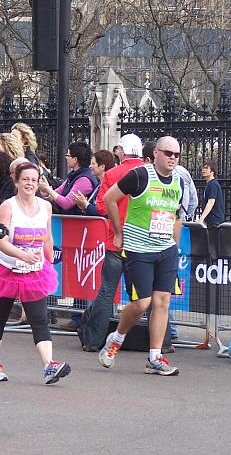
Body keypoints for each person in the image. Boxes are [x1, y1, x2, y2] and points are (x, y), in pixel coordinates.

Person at [0, 162, 71, 384]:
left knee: (39, 320)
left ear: (39, 183)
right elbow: (0, 242)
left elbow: (47, 237)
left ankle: (49, 365)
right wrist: (21, 254)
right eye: (25, 179)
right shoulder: (8, 207)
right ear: (17, 182)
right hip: (6, 270)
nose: (30, 183)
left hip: (33, 271)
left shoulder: (45, 207)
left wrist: (48, 262)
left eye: (34, 180)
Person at [99, 136, 184, 376]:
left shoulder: (179, 180)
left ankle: (155, 357)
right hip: (138, 248)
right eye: (168, 153)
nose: (172, 158)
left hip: (165, 250)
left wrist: (174, 247)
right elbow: (109, 199)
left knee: (162, 302)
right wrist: (118, 232)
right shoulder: (140, 175)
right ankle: (116, 339)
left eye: (177, 155)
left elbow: (177, 215)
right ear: (155, 153)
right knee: (141, 303)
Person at [80, 133, 146, 352]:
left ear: (121, 151)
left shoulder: (113, 174)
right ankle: (160, 343)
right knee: (145, 294)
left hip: (115, 240)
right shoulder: (150, 174)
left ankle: (92, 341)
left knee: (107, 290)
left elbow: (101, 207)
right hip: (142, 241)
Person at [38, 142, 96, 215]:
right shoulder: (73, 176)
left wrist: (48, 189)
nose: (66, 158)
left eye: (68, 155)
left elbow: (67, 204)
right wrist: (46, 193)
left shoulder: (84, 180)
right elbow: (57, 193)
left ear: (75, 159)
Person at [73, 150, 116, 216]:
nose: (90, 166)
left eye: (93, 163)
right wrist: (84, 207)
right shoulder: (98, 185)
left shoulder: (110, 187)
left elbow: (103, 212)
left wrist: (85, 204)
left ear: (102, 167)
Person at [198, 160, 225, 227]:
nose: (203, 170)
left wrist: (201, 218)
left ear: (212, 171)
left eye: (206, 168)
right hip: (212, 219)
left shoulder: (213, 185)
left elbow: (211, 202)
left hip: (214, 220)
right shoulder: (210, 184)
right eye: (203, 168)